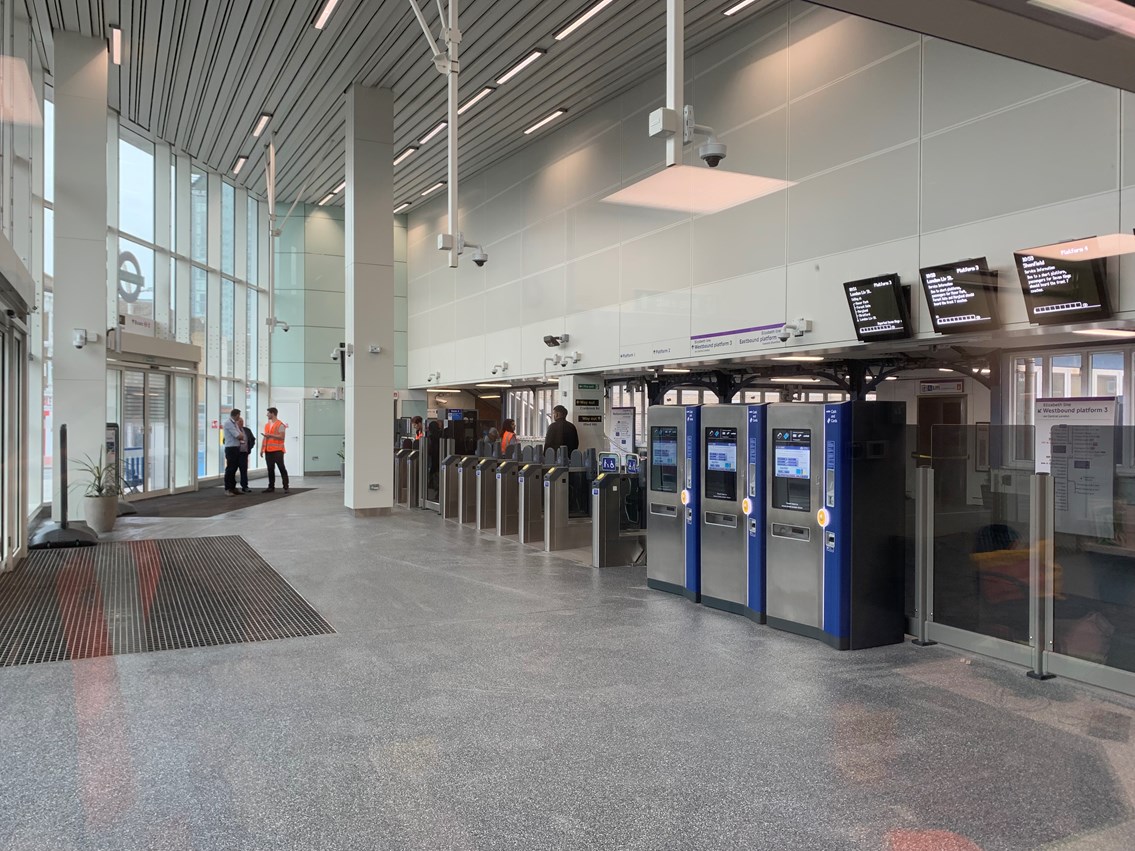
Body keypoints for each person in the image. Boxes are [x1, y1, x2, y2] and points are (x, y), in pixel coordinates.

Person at [260, 406, 290, 494]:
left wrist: (270, 435)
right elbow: (265, 438)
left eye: (268, 413)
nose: (267, 415)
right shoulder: (267, 425)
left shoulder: (281, 425)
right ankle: (271, 487)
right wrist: (262, 449)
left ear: (272, 413)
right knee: (270, 469)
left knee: (281, 468)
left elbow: (282, 437)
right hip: (268, 451)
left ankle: (286, 486)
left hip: (278, 451)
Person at [222, 408, 246, 496]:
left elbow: (241, 434)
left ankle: (233, 487)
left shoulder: (234, 423)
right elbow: (238, 435)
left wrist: (241, 435)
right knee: (230, 469)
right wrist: (241, 435)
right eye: (239, 415)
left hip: (236, 448)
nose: (239, 418)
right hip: (230, 448)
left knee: (234, 468)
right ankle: (228, 488)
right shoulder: (228, 423)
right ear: (236, 415)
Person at [236, 415, 255, 494]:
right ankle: (232, 487)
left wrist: (249, 448)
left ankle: (245, 486)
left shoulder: (247, 430)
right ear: (236, 423)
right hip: (235, 453)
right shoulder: (233, 430)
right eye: (240, 421)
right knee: (232, 470)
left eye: (242, 421)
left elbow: (252, 439)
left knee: (244, 470)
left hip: (244, 453)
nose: (241, 423)